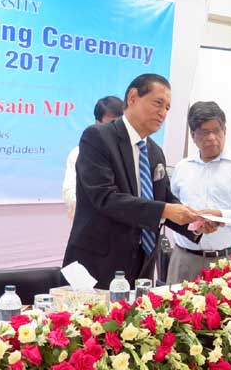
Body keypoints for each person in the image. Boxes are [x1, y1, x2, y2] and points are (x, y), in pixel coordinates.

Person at [62, 73, 214, 289]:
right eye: (158, 103)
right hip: (98, 264)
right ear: (133, 97)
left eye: (168, 108)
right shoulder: (97, 137)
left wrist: (196, 222)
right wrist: (165, 210)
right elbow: (105, 197)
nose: (162, 113)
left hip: (141, 264)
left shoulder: (154, 151)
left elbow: (163, 198)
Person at [167, 101, 231, 283]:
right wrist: (191, 223)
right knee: (174, 311)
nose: (212, 137)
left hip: (227, 261)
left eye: (217, 130)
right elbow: (171, 210)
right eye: (205, 132)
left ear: (225, 130)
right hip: (184, 260)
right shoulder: (182, 167)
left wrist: (222, 216)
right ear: (193, 135)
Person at [62, 96, 124, 218]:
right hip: (93, 224)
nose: (117, 130)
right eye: (112, 124)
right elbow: (69, 192)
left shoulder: (133, 151)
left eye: (121, 124)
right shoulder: (79, 153)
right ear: (97, 123)